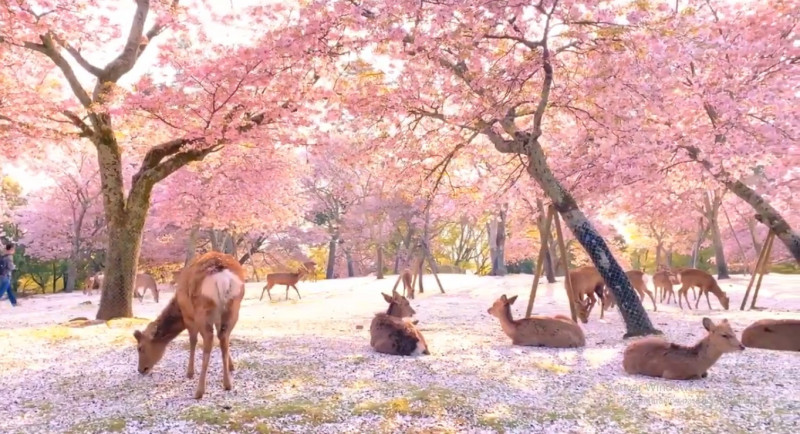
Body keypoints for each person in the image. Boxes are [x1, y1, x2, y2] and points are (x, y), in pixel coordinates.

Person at [0, 242, 18, 307]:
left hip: (2, 275)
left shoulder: (3, 255)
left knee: (9, 290)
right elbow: (10, 266)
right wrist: (14, 267)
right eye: (13, 249)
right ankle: (14, 303)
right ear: (11, 249)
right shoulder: (9, 257)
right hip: (6, 275)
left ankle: (14, 302)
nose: (14, 251)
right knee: (2, 290)